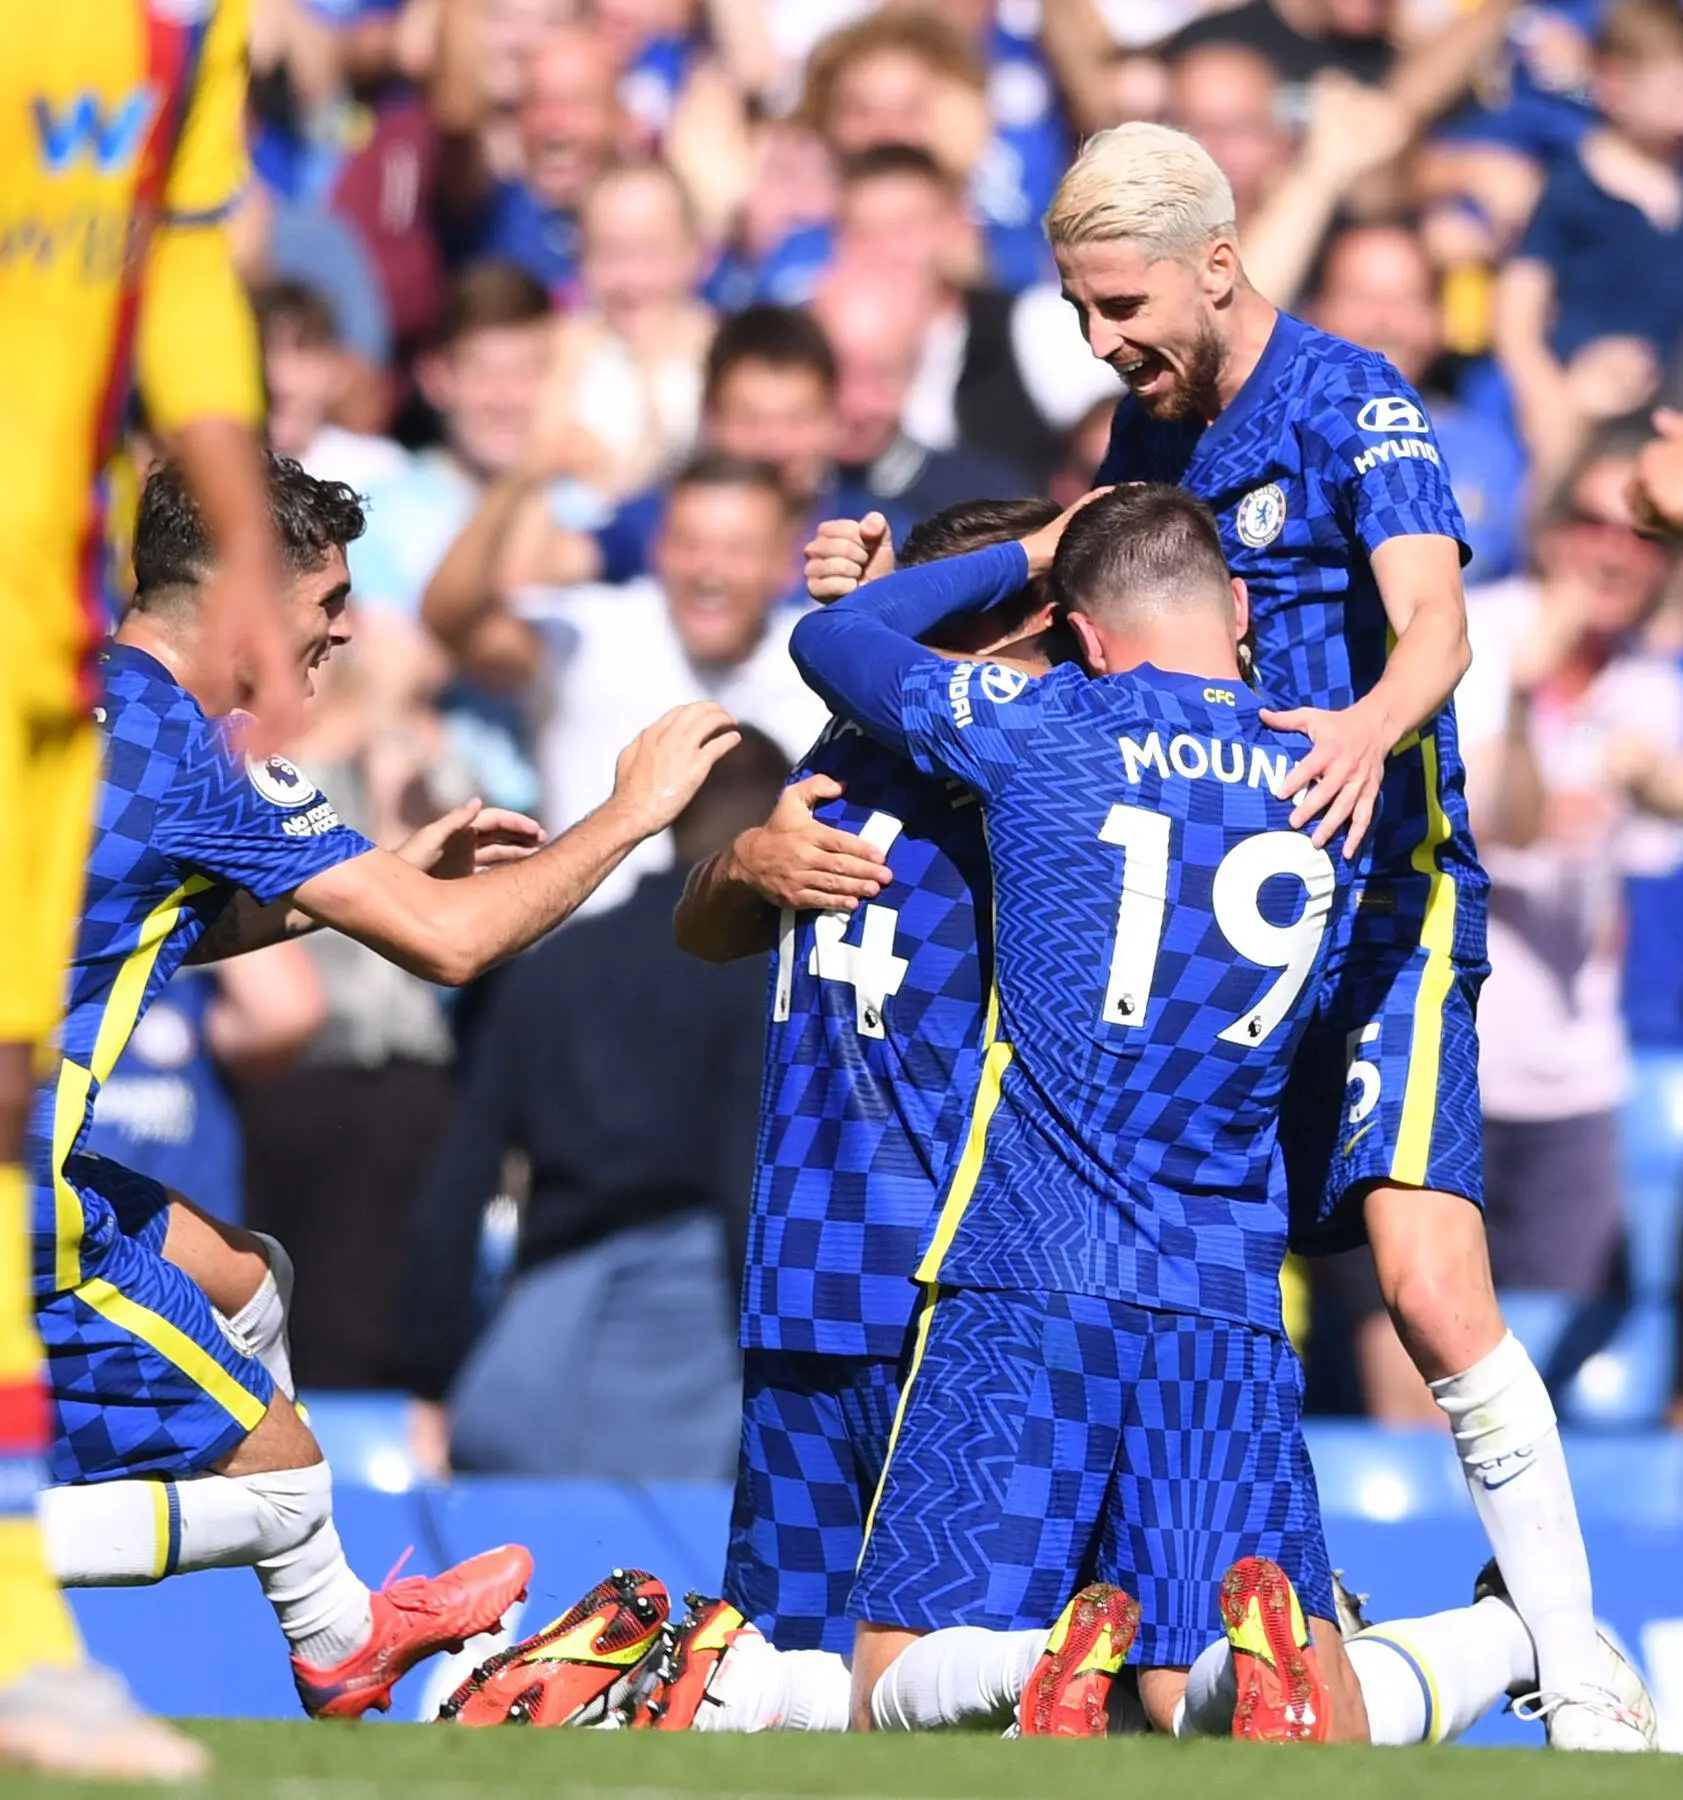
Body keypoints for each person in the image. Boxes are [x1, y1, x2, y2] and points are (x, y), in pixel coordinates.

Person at [807, 119, 1647, 1751]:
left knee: (1426, 1280)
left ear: (1216, 261)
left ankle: (1572, 1658)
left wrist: (1369, 732)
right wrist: (899, 573)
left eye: (1120, 306)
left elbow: (1435, 618)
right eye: (1076, 313)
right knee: (1174, 1294)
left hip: (1385, 895)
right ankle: (1226, 1640)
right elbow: (1084, 597)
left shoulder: (1351, 399)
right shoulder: (1149, 423)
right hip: (1220, 933)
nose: (1101, 343)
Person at [27, 453, 740, 1715]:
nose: (342, 628)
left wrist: (367, 879)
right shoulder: (196, 756)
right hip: (25, 1197)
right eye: (324, 600)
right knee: (287, 1494)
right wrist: (629, 814)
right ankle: (340, 1632)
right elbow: (456, 945)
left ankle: (341, 1632)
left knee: (247, 1280)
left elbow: (144, 921)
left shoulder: (75, 701)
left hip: (47, 1162)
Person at [791, 484, 1362, 1742]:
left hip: (1034, 1263)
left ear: (1088, 638)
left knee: (896, 1673)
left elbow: (829, 639)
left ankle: (1032, 1670)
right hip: (1225, 1284)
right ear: (1242, 608)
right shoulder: (1336, 769)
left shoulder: (1048, 722)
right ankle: (1262, 1675)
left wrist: (1026, 553)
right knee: (1218, 1680)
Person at [0, 0, 301, 1776]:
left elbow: (178, 268)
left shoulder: (183, 29)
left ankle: (19, 1636)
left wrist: (245, 542)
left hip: (37, 655)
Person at [401, 729, 785, 1481]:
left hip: (543, 1343)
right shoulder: (764, 974)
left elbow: (464, 1174)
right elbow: (751, 1177)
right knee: (680, 1592)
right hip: (701, 1336)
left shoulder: (555, 964)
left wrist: (431, 1373)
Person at [424, 452, 829, 911]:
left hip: (758, 963)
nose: (709, 571)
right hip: (584, 960)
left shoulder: (825, 662)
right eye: (689, 543)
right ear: (657, 549)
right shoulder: (593, 634)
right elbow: (453, 620)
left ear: (785, 563)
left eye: (737, 549)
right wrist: (521, 474)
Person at [1493, 0, 1683, 501]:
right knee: (1567, 498)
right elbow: (1519, 302)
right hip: (1582, 392)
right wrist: (1546, 393)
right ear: (1616, 85)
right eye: (1671, 88)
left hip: (1667, 398)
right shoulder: (1576, 184)